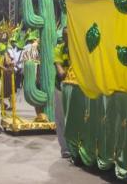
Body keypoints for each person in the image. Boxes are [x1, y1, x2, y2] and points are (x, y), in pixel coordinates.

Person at [54, 29, 71, 158]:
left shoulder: (80, 49)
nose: (67, 37)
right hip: (61, 87)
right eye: (65, 35)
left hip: (77, 88)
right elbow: (60, 72)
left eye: (70, 34)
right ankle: (65, 148)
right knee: (61, 117)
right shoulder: (59, 49)